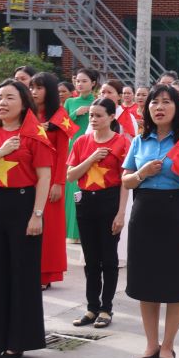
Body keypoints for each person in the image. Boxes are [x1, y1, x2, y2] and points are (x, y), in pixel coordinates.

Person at [122, 83, 179, 358]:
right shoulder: (140, 139)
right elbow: (125, 181)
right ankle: (150, 344)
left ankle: (168, 346)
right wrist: (142, 173)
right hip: (144, 211)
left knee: (175, 282)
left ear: (177, 107)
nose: (159, 107)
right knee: (146, 282)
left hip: (177, 213)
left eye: (166, 102)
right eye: (154, 102)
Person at [0, 79, 54, 358]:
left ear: (24, 102)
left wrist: (37, 214)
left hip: (24, 206)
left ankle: (18, 341)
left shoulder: (34, 135)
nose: (2, 103)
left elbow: (45, 177)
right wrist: (2, 151)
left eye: (9, 97)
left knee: (22, 274)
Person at [66, 98, 129, 329]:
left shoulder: (122, 143)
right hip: (85, 201)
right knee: (90, 259)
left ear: (112, 117)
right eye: (91, 115)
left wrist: (121, 212)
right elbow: (71, 175)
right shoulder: (82, 142)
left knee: (109, 258)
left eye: (99, 115)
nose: (93, 119)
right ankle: (92, 307)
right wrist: (91, 158)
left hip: (109, 200)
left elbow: (125, 181)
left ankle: (106, 308)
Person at [28, 72, 70, 289]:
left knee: (49, 228)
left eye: (39, 88)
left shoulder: (59, 115)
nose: (34, 92)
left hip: (51, 178)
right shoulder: (28, 112)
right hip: (28, 176)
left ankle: (45, 275)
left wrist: (58, 183)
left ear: (50, 91)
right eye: (32, 87)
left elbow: (63, 153)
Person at [64, 68, 99, 241]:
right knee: (71, 188)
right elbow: (63, 125)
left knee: (85, 187)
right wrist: (75, 113)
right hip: (73, 146)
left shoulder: (98, 102)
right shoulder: (70, 102)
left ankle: (83, 232)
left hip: (91, 147)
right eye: (77, 81)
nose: (80, 84)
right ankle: (71, 233)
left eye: (84, 81)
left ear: (93, 83)